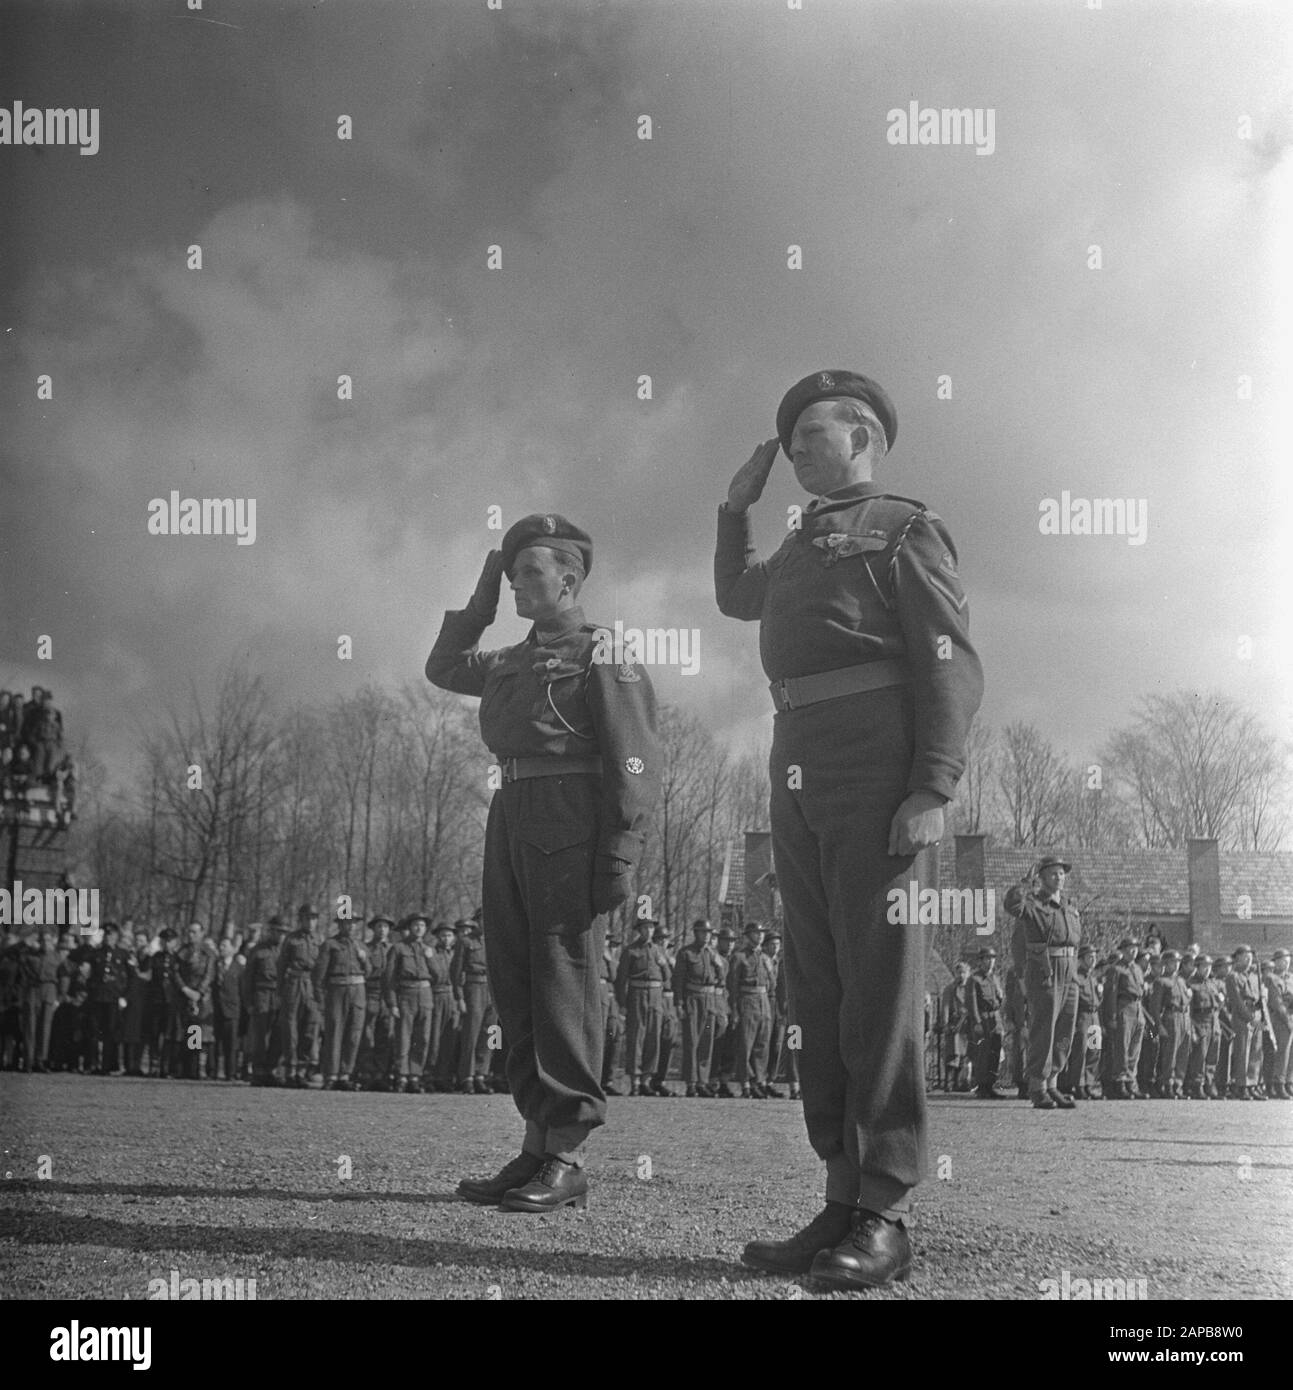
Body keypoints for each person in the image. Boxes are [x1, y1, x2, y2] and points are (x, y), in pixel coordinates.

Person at [718, 371, 982, 1287]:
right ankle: (839, 1194)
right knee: (819, 985)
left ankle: (884, 1213)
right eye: (786, 442)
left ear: (861, 432)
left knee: (875, 987)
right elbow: (734, 597)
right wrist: (733, 511)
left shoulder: (904, 526)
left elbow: (948, 661)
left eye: (808, 436)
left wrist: (932, 784)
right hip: (797, 764)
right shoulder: (800, 539)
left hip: (875, 769)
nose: (791, 451)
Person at [427, 514, 661, 1212]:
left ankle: (565, 1155)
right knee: (516, 976)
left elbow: (637, 759)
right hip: (512, 808)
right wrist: (479, 604)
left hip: (570, 813)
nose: (517, 583)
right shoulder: (510, 659)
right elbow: (442, 668)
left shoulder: (602, 654)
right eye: (511, 572)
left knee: (562, 979)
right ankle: (535, 1144)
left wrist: (619, 849)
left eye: (530, 571)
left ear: (569, 577)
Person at [1005, 857, 1081, 1110]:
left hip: (1070, 973)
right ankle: (1037, 1085)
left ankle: (1053, 1082)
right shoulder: (1034, 904)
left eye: (1062, 873)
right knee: (1044, 1028)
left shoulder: (1069, 906)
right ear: (1042, 877)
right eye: (1053, 874)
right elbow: (1012, 905)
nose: (1059, 878)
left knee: (1064, 1031)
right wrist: (1025, 884)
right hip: (1046, 972)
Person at [615, 915, 669, 1097]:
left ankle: (646, 1080)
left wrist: (663, 965)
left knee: (653, 1038)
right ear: (639, 930)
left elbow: (668, 977)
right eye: (645, 928)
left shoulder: (659, 951)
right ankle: (635, 1081)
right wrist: (622, 1004)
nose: (649, 931)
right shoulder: (630, 951)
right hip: (637, 996)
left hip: (655, 997)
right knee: (636, 1037)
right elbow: (621, 980)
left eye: (652, 928)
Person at [314, 914, 368, 1090]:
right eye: (347, 923)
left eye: (353, 924)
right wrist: (320, 999)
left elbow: (369, 970)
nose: (351, 927)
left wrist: (363, 959)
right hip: (337, 991)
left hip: (358, 991)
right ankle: (331, 1075)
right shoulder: (330, 945)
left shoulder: (361, 945)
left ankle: (345, 1074)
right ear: (340, 925)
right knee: (334, 1032)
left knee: (354, 1034)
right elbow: (319, 974)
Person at [674, 919, 725, 1097]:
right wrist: (679, 1004)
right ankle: (691, 1082)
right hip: (692, 1001)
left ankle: (702, 1081)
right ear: (696, 933)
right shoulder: (686, 953)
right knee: (691, 1042)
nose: (707, 935)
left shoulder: (711, 954)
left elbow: (721, 980)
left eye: (709, 933)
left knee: (706, 1042)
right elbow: (678, 981)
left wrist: (719, 964)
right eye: (703, 932)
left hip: (709, 1003)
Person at [385, 915, 433, 1093]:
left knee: (423, 1038)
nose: (419, 928)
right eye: (415, 925)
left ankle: (415, 1075)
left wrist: (431, 958)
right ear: (409, 927)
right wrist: (392, 1003)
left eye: (422, 925)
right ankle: (402, 1076)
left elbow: (438, 976)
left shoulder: (429, 950)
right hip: (406, 995)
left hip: (426, 996)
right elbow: (389, 977)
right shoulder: (398, 948)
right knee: (404, 1037)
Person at [729, 921, 775, 1098]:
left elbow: (772, 983)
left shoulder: (765, 958)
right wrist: (734, 1008)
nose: (760, 935)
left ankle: (759, 1081)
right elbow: (732, 985)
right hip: (747, 1000)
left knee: (762, 1045)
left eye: (762, 933)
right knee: (745, 1045)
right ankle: (746, 1083)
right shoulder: (739, 957)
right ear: (748, 936)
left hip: (763, 1001)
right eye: (756, 933)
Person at [277, 905, 320, 1088]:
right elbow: (281, 966)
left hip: (312, 984)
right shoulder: (291, 939)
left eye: (313, 918)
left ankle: (302, 1069)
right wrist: (281, 990)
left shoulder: (319, 939)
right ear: (301, 920)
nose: (310, 922)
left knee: (310, 1028)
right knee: (291, 1028)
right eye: (307, 918)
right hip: (294, 982)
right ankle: (290, 1071)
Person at [450, 919, 493, 1095]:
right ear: (477, 922)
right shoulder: (466, 941)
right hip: (473, 988)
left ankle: (481, 1074)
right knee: (471, 1034)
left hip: (493, 990)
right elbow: (456, 971)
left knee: (491, 1034)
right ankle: (467, 1077)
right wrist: (459, 997)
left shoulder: (496, 940)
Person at [242, 916, 283, 1086]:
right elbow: (247, 978)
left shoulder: (284, 951)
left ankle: (271, 1070)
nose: (279, 935)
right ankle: (258, 1071)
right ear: (270, 931)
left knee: (278, 1035)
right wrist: (248, 1002)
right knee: (260, 1036)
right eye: (276, 931)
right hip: (262, 994)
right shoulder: (257, 951)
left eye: (282, 933)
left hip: (280, 995)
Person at [173, 922, 214, 1080]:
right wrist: (185, 989)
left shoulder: (208, 953)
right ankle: (182, 1068)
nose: (191, 935)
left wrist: (198, 993)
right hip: (184, 995)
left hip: (201, 998)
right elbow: (175, 973)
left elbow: (209, 975)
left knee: (197, 1034)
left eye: (194, 932)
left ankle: (195, 1069)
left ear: (202, 933)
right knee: (183, 1032)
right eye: (189, 932)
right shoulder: (181, 952)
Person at [1104, 939, 1143, 1101]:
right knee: (1122, 1048)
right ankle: (1120, 1082)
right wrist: (1112, 1016)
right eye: (1129, 949)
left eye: (1134, 949)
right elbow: (1110, 994)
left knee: (1135, 1048)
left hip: (1137, 1007)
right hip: (1123, 1007)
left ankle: (1130, 1082)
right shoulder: (1116, 969)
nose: (1132, 952)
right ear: (1123, 950)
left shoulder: (1138, 969)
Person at [1060, 944, 1101, 1100]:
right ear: (1082, 959)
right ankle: (1078, 1085)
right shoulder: (1076, 976)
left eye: (1094, 956)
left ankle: (1089, 1084)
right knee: (1080, 1052)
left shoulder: (1093, 977)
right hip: (1082, 1016)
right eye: (1090, 957)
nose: (1093, 959)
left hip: (1094, 1016)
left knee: (1094, 1050)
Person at [358, 916, 394, 1090]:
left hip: (388, 996)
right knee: (367, 1034)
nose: (382, 930)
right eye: (379, 926)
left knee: (385, 1034)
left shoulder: (394, 949)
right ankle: (366, 1073)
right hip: (370, 992)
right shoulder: (365, 947)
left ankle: (380, 1074)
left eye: (386, 927)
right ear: (373, 929)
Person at [1149, 950, 1190, 1099]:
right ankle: (1167, 1085)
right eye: (1173, 962)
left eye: (1178, 961)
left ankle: (1178, 1085)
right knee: (1169, 1054)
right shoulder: (1161, 981)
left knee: (1182, 1054)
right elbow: (1155, 1007)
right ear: (1165, 964)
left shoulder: (1181, 981)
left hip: (1184, 1017)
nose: (1176, 964)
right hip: (1170, 1017)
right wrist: (1159, 1025)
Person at [424, 922, 460, 1093]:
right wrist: (430, 957)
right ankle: (430, 1075)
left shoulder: (456, 953)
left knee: (450, 1038)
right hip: (437, 995)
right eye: (443, 935)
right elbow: (434, 975)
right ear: (438, 937)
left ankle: (443, 1076)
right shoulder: (431, 953)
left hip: (453, 996)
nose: (446, 939)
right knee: (434, 1038)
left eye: (449, 935)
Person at [967, 947, 1006, 1099]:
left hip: (995, 1018)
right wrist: (976, 1022)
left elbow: (1000, 999)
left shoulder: (994, 978)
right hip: (983, 1019)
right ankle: (981, 1086)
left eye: (992, 958)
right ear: (981, 961)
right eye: (987, 959)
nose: (990, 962)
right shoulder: (974, 979)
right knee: (983, 1054)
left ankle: (990, 1085)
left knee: (995, 1053)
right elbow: (971, 1003)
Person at [1225, 945, 1263, 1100]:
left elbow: (1258, 997)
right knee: (1242, 1052)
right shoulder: (1232, 976)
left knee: (1255, 1051)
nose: (1249, 960)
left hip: (1256, 1014)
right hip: (1243, 1017)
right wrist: (1250, 1018)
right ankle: (1241, 1085)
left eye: (1250, 957)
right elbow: (1237, 1001)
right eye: (1245, 957)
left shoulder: (1254, 976)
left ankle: (1252, 1083)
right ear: (1237, 958)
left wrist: (1260, 1008)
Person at [649, 923, 679, 1097]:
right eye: (659, 939)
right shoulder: (653, 957)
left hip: (670, 1001)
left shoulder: (672, 960)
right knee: (653, 1040)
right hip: (656, 998)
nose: (662, 943)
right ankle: (649, 1079)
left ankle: (661, 1078)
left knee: (669, 1040)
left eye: (665, 940)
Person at [1184, 954, 1219, 1099]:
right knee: (1199, 1056)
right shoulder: (1190, 983)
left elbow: (1218, 1004)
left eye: (1209, 966)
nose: (1207, 969)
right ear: (1197, 967)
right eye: (1204, 966)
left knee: (1213, 1054)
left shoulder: (1212, 983)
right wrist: (1192, 1028)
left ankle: (1209, 1083)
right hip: (1199, 1020)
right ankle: (1197, 1085)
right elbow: (1188, 1009)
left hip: (1213, 1020)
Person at [212, 937, 244, 1081]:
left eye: (224, 945)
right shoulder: (214, 965)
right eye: (220, 945)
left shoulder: (239, 968)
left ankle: (230, 1073)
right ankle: (211, 1071)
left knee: (231, 1045)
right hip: (214, 1009)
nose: (221, 948)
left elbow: (242, 990)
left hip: (232, 1010)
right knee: (213, 1042)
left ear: (232, 948)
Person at [760, 928, 787, 1098]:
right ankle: (759, 1080)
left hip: (779, 1006)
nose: (775, 948)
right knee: (763, 1043)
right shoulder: (762, 961)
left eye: (777, 945)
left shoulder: (780, 962)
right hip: (766, 1001)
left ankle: (770, 1079)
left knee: (777, 1045)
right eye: (771, 944)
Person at [940, 960, 973, 1093]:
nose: (961, 975)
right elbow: (945, 1006)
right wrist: (945, 1023)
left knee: (964, 1055)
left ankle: (960, 1082)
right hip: (955, 1025)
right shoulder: (950, 989)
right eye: (959, 973)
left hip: (967, 1025)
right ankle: (948, 1083)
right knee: (952, 1055)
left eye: (964, 972)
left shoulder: (971, 988)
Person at [1267, 949, 1292, 1100]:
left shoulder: (1291, 978)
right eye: (1283, 959)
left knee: (1291, 1053)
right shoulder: (1272, 978)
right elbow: (1277, 1002)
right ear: (1275, 962)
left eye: (1288, 959)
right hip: (1280, 1019)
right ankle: (1279, 1083)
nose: (1287, 962)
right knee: (1282, 1052)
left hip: (1291, 1017)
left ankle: (1289, 1082)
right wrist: (1288, 1021)